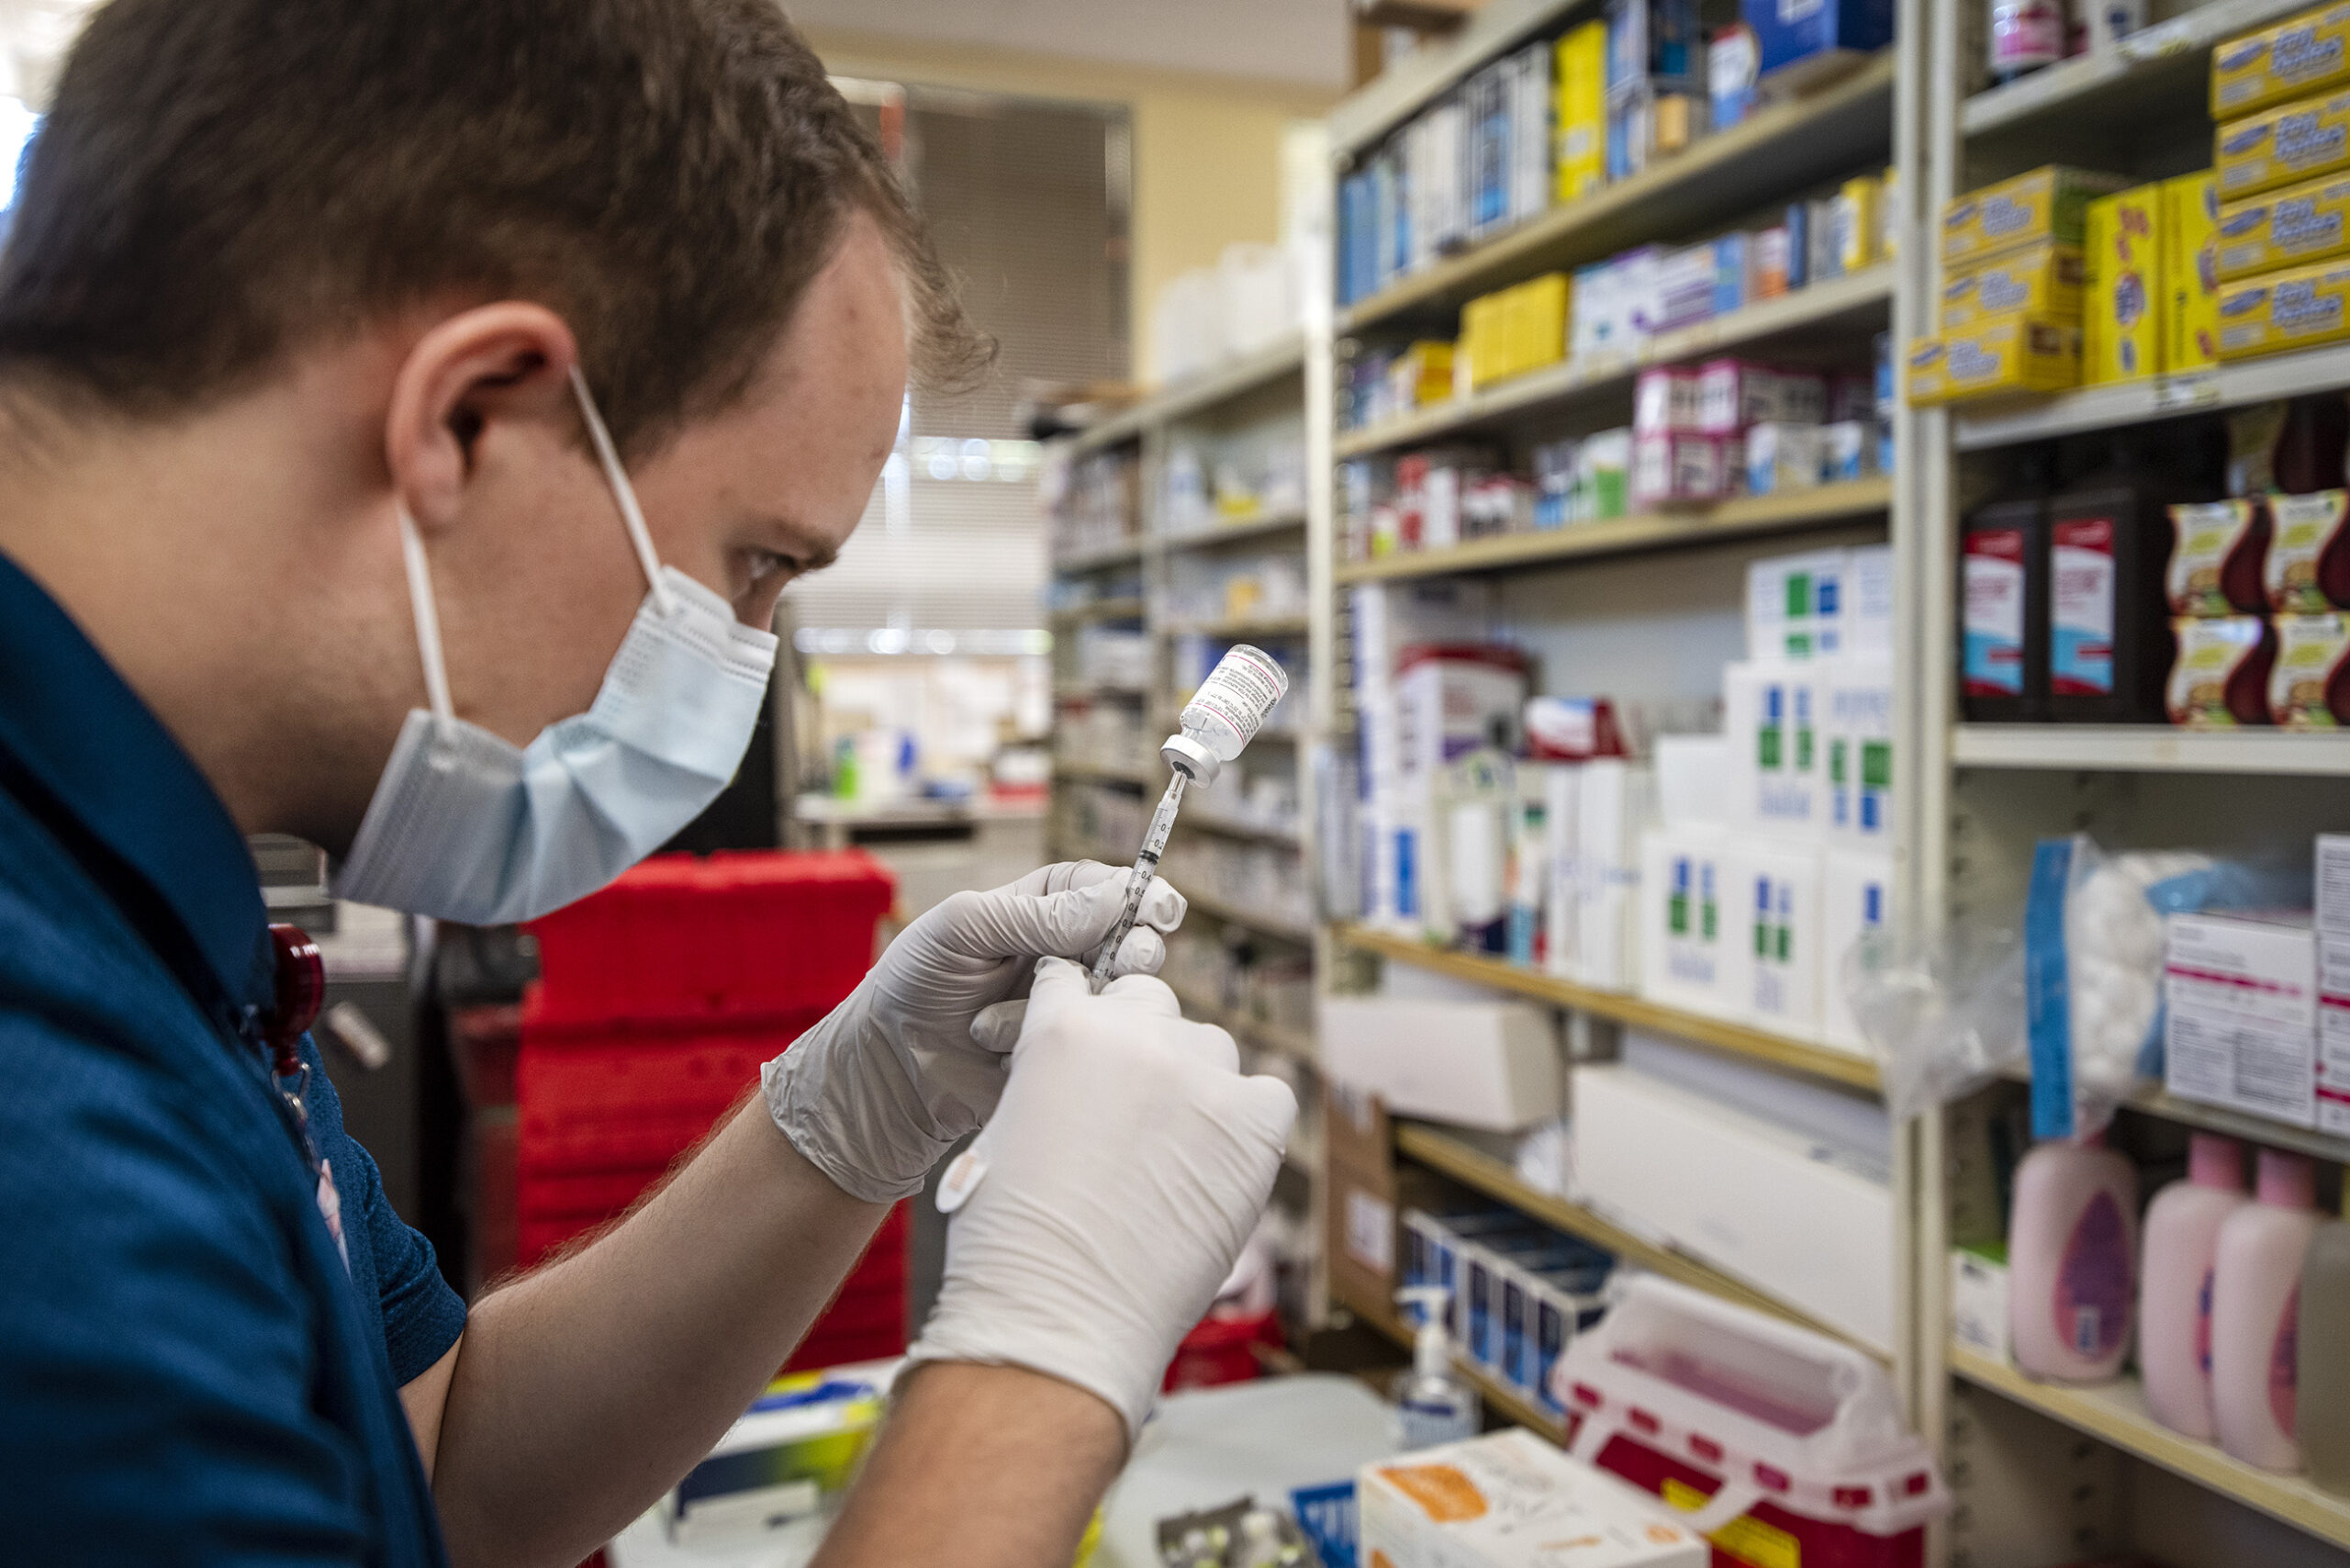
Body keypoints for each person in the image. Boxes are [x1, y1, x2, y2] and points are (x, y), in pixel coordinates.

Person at [0, 3, 1297, 1565]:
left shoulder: (133, 890)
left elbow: (443, 1457)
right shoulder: (39, 1112)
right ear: (471, 418)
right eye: (752, 568)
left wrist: (839, 1119)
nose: (740, 666)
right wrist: (1046, 1358)